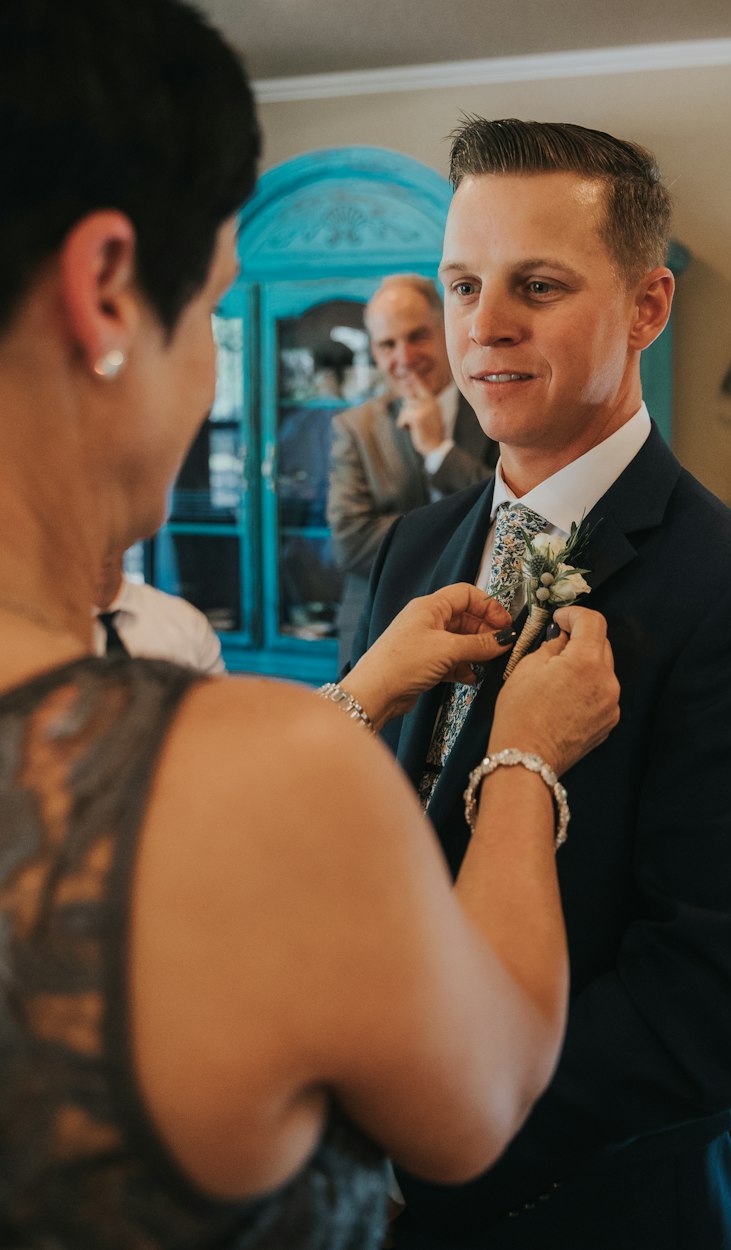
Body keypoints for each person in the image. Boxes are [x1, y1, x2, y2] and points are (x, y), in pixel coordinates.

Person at [0, 11, 620, 1250]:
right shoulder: (264, 777)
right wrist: (522, 761)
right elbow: (477, 1101)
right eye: (217, 310)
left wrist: (356, 692)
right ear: (107, 290)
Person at [351, 118, 731, 1249]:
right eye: (463, 282)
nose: (483, 325)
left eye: (538, 283)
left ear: (647, 308)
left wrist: (409, 1126)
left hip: (588, 1208)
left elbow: (704, 1015)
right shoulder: (409, 551)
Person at [328, 274, 498, 649]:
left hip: (478, 626)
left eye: (417, 336)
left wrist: (440, 451)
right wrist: (463, 528)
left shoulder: (496, 408)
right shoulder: (356, 429)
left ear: (444, 328)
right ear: (373, 351)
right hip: (375, 631)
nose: (403, 358)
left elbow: (512, 513)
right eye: (388, 344)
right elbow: (350, 544)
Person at [93, 552, 226, 673]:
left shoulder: (185, 621)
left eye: (106, 536)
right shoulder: (72, 630)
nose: (98, 548)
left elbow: (220, 696)